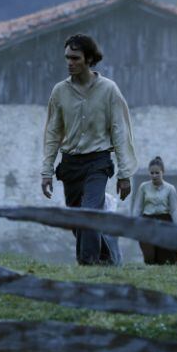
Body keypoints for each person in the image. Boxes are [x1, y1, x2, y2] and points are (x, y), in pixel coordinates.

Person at [40, 33, 138, 265]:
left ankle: (88, 264)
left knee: (89, 213)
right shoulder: (59, 92)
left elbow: (120, 132)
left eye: (75, 58)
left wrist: (125, 174)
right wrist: (46, 170)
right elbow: (53, 133)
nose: (69, 63)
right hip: (71, 164)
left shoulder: (109, 90)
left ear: (89, 59)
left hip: (98, 162)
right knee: (78, 220)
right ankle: (109, 256)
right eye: (67, 58)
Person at [132, 156, 177, 265]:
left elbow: (175, 209)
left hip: (164, 221)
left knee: (165, 256)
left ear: (163, 172)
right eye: (152, 173)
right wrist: (134, 224)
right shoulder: (144, 187)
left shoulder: (170, 188)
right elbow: (138, 207)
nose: (154, 176)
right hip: (147, 222)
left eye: (157, 173)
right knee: (149, 254)